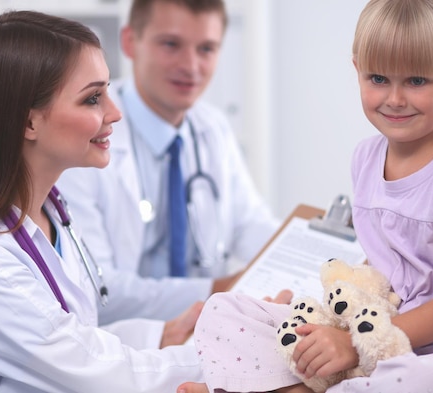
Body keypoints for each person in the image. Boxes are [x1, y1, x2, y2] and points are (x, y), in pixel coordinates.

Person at [177, 0, 433, 392]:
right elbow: (391, 265)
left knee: (417, 379)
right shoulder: (366, 158)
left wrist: (356, 343)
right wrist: (331, 330)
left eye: (417, 81)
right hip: (381, 326)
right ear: (357, 70)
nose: (395, 98)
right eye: (378, 78)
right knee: (224, 311)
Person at [0, 10, 205, 392]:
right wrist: (227, 355)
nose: (115, 113)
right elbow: (96, 372)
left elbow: (75, 336)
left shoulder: (52, 213)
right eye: (92, 98)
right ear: (29, 123)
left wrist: (164, 334)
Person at [56, 0, 279, 325]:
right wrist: (221, 289)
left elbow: (249, 225)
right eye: (171, 44)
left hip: (207, 332)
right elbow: (97, 288)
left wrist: (311, 254)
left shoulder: (213, 127)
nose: (190, 66)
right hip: (122, 343)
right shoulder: (85, 135)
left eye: (206, 48)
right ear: (130, 41)